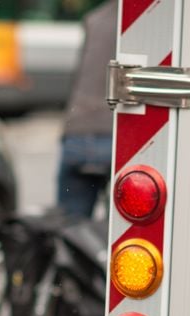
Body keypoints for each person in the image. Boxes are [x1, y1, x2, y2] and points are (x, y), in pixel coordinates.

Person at [57, 0, 118, 220]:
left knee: (70, 226)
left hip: (78, 132)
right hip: (116, 135)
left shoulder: (94, 18)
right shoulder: (149, 23)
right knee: (124, 229)